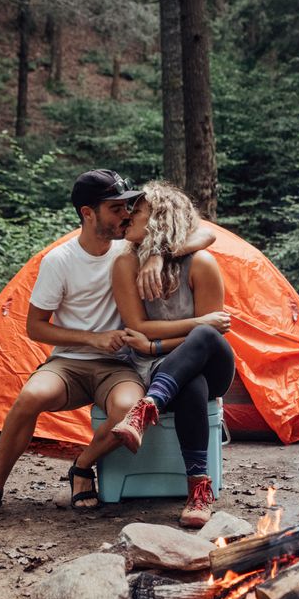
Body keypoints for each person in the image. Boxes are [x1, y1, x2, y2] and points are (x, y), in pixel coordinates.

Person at [0, 170, 215, 519]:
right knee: (30, 397)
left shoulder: (132, 248)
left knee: (126, 411)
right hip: (69, 362)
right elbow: (35, 328)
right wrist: (93, 338)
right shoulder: (59, 261)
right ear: (88, 213)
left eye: (127, 206)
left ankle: (82, 467)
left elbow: (205, 233)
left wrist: (158, 253)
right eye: (116, 208)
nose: (126, 214)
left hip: (120, 365)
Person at [111, 181, 236, 528]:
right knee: (189, 382)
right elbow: (139, 325)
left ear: (159, 219)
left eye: (136, 211)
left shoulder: (201, 264)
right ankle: (199, 489)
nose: (126, 217)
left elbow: (213, 333)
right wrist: (163, 343)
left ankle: (145, 408)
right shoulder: (125, 264)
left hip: (213, 365)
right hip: (163, 368)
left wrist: (156, 345)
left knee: (203, 338)